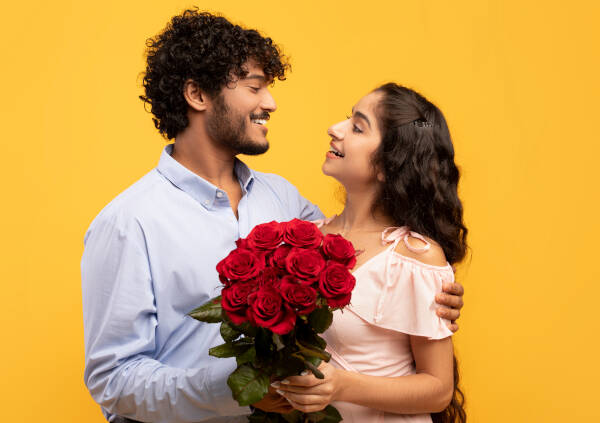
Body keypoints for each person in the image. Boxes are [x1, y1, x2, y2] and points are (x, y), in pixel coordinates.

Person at [81, 10, 465, 423]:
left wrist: (435, 293)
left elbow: (366, 261)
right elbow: (113, 379)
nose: (271, 103)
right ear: (197, 95)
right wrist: (240, 390)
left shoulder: (286, 202)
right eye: (254, 87)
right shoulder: (128, 222)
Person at [273, 84, 467, 422]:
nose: (335, 129)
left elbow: (438, 390)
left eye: (358, 126)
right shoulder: (304, 240)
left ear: (387, 165)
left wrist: (343, 386)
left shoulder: (415, 257)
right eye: (349, 118)